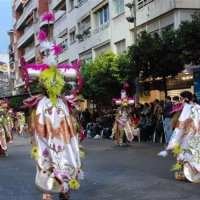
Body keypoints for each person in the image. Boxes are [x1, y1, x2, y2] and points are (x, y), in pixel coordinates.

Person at [20, 12, 84, 200]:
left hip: (59, 112)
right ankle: (49, 188)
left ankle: (63, 184)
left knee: (67, 147)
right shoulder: (41, 93)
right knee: (44, 149)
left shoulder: (60, 79)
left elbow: (74, 77)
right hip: (46, 113)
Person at [158, 91, 200, 182]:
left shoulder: (187, 108)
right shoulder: (198, 107)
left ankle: (184, 174)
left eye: (181, 98)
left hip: (187, 136)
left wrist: (175, 138)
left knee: (184, 154)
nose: (180, 100)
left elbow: (180, 125)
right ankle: (194, 173)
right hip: (197, 136)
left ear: (185, 98)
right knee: (196, 154)